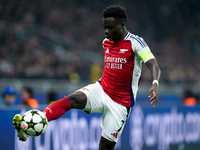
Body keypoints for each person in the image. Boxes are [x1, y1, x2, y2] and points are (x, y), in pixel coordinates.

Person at [13, 5, 161, 149]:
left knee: (106, 146)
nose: (106, 31)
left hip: (121, 103)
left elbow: (153, 64)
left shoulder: (136, 43)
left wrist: (155, 83)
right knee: (73, 99)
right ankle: (39, 120)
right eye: (104, 27)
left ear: (122, 25)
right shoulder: (106, 42)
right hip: (102, 89)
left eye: (110, 27)